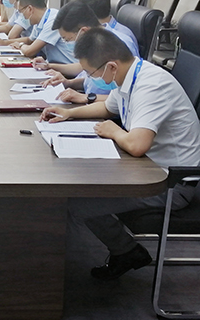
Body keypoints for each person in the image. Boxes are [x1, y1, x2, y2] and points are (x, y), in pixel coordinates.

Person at [40, 28, 200, 281]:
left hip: (170, 183)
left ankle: (125, 252)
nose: (91, 78)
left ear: (111, 66)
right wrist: (68, 113)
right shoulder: (131, 76)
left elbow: (137, 145)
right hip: (146, 168)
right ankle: (125, 250)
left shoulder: (151, 86)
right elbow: (106, 107)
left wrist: (114, 131)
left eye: (92, 73)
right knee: (76, 185)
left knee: (75, 202)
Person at [38, 0, 140, 104]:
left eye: (68, 40)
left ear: (83, 31)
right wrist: (69, 83)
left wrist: (87, 97)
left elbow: (126, 97)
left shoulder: (119, 44)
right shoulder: (92, 45)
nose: (68, 44)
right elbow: (92, 80)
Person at [3, 0, 74, 64]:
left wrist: (20, 45)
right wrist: (4, 43)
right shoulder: (40, 20)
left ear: (30, 9)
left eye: (21, 12)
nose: (22, 16)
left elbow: (29, 51)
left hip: (68, 68)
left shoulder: (53, 20)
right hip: (54, 65)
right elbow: (30, 40)